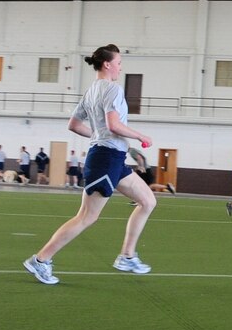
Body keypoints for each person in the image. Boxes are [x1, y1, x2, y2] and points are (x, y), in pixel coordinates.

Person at [22, 44, 157, 285]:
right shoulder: (112, 90)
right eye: (118, 63)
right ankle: (40, 260)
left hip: (113, 158)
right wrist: (140, 136)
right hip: (105, 158)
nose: (120, 67)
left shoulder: (91, 91)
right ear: (107, 64)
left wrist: (98, 134)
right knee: (86, 217)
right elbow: (114, 125)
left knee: (148, 201)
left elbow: (73, 124)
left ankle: (127, 256)